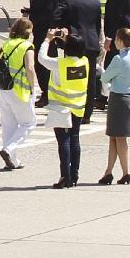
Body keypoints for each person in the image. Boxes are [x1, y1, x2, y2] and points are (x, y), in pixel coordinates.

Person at [39, 28, 89, 188]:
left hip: (61, 107)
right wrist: (67, 37)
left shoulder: (59, 64)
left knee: (63, 142)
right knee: (75, 139)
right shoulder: (84, 61)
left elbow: (41, 58)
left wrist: (47, 39)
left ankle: (64, 176)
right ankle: (74, 175)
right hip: (78, 106)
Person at [98, 26, 130, 185]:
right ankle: (108, 171)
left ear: (120, 41)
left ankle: (125, 172)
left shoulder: (118, 59)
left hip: (119, 97)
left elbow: (105, 77)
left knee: (119, 137)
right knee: (115, 137)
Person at [0, 18, 38, 169]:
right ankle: (8, 149)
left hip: (2, 88)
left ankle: (12, 160)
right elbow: (30, 68)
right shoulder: (27, 46)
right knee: (29, 123)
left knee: (8, 124)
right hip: (19, 90)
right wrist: (33, 87)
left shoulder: (6, 44)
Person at [61, 0, 103, 124]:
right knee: (90, 79)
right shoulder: (94, 1)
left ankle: (75, 110)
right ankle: (87, 113)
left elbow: (59, 18)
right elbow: (98, 26)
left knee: (73, 77)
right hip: (91, 43)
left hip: (74, 43)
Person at [23, 0, 65, 104]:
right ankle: (46, 93)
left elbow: (47, 12)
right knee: (42, 61)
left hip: (44, 31)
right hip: (41, 30)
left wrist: (31, 18)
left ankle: (47, 94)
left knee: (43, 62)